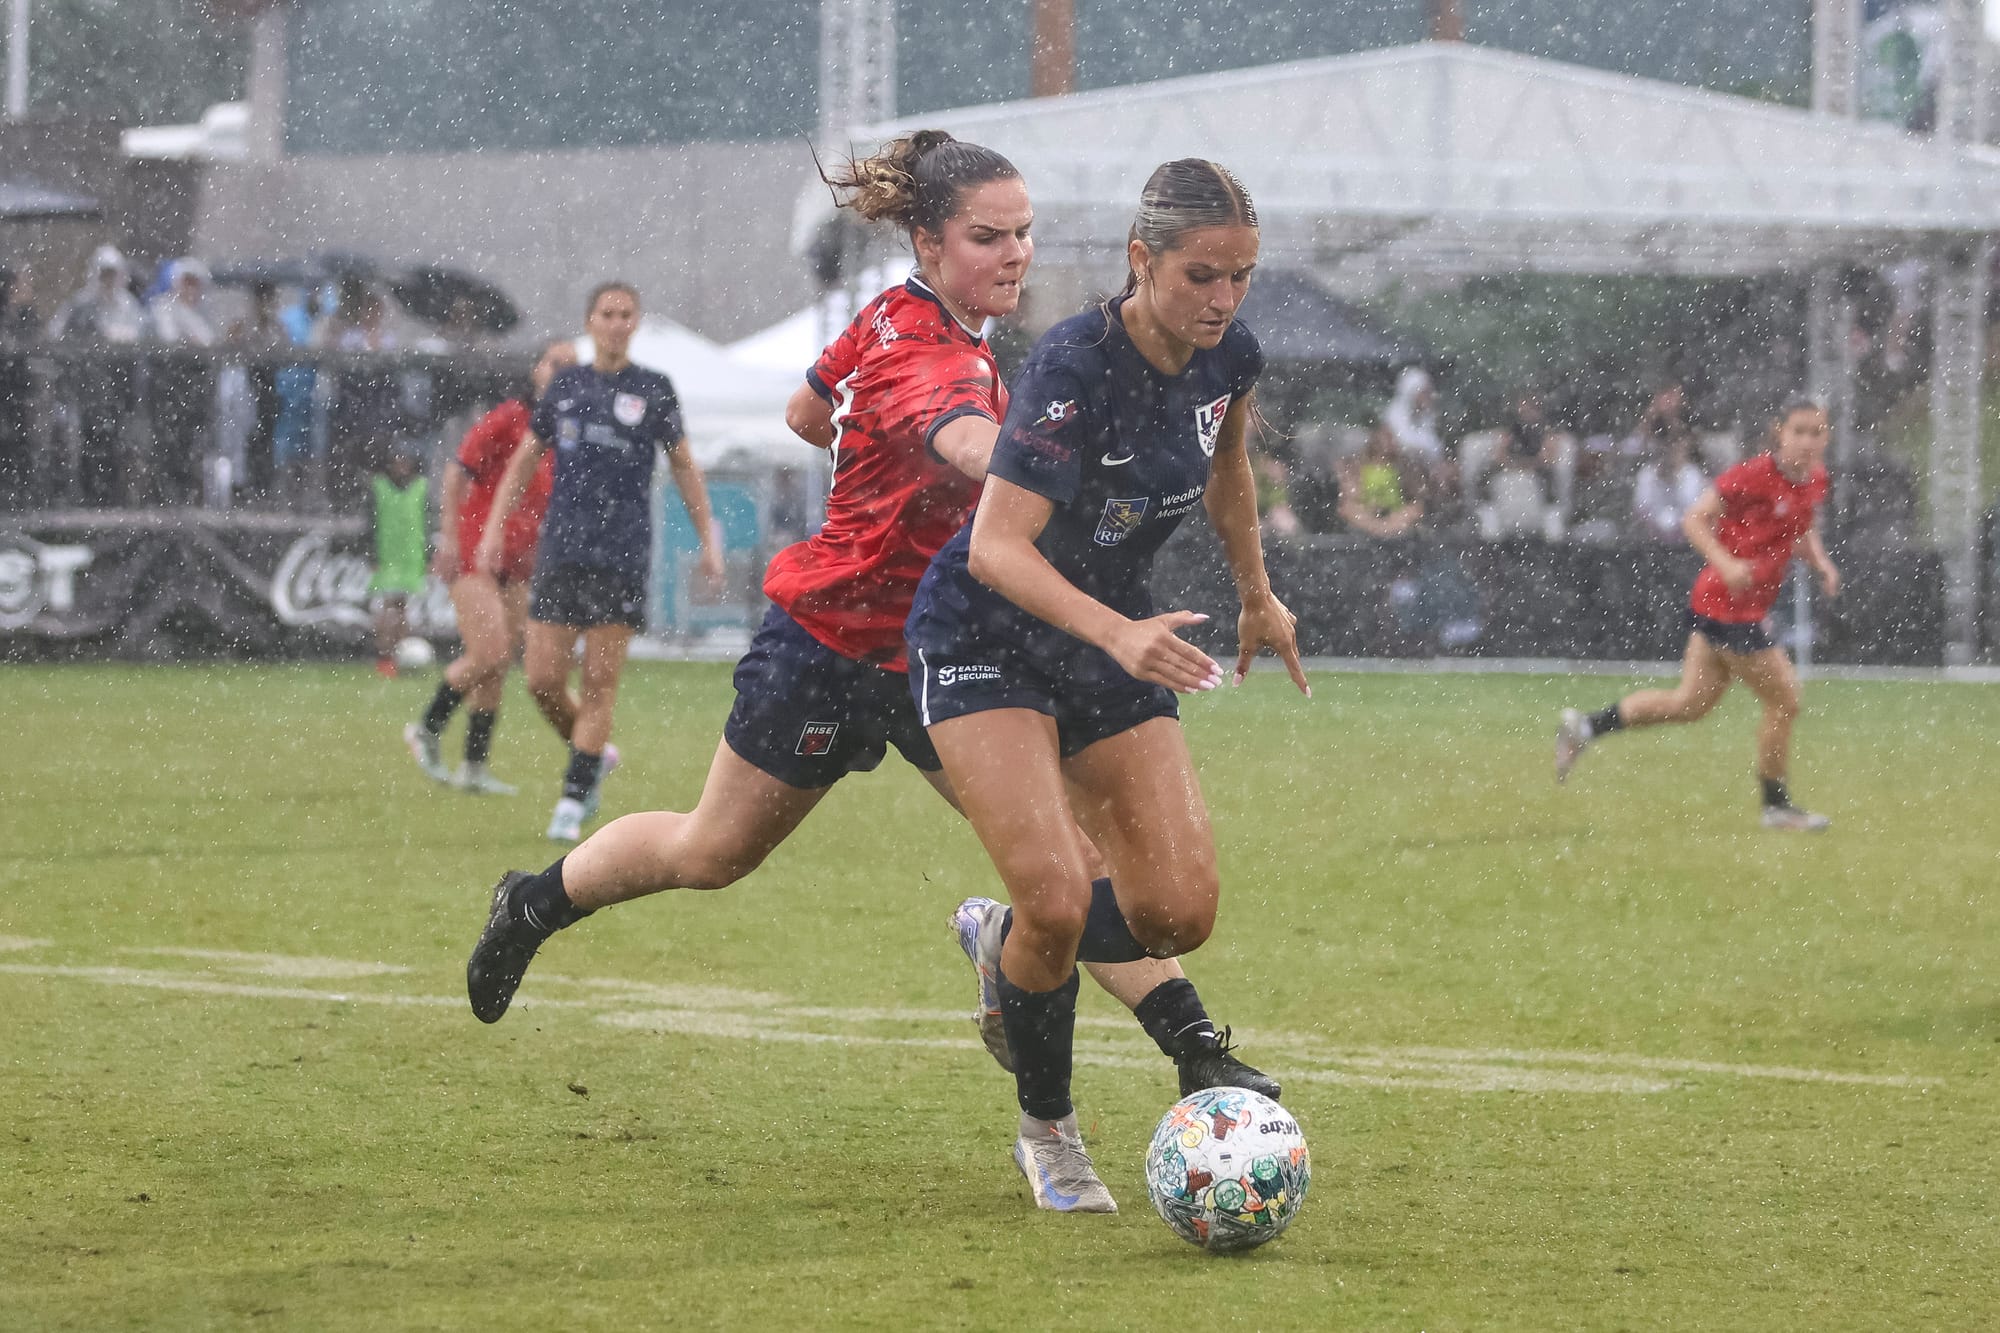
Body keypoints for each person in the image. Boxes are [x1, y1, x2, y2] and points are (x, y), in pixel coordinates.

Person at [461, 132, 1278, 1124]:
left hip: (955, 648)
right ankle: (534, 902)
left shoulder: (890, 314)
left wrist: (876, 458)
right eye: (987, 238)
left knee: (1068, 870)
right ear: (929, 244)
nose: (1014, 254)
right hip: (833, 642)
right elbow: (971, 441)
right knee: (711, 851)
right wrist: (1038, 459)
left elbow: (807, 411)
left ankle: (1193, 1045)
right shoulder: (932, 355)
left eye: (1022, 233)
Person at [903, 158, 1307, 1213]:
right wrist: (1116, 632)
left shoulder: (1230, 357)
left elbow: (1228, 470)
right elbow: (995, 547)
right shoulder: (1071, 366)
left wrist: (1257, 593)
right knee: (1055, 897)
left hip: (1107, 637)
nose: (1222, 298)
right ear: (1141, 259)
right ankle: (1048, 1131)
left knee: (1176, 911)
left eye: (1240, 276)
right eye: (1201, 275)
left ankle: (1002, 944)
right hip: (986, 634)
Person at [477, 281, 723, 842]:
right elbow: (524, 461)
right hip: (563, 550)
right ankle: (593, 757)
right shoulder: (566, 385)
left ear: (636, 323)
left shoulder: (654, 388)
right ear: (590, 322)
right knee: (541, 679)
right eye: (607, 314)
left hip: (622, 554)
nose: (616, 323)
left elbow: (684, 467)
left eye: (626, 314)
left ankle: (572, 796)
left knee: (598, 684)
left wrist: (707, 539)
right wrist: (493, 529)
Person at [1555, 394, 1840, 830]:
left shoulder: (1815, 478)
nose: (1807, 441)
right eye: (1798, 431)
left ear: (1826, 436)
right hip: (1730, 608)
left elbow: (1801, 526)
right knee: (1785, 699)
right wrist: (1726, 564)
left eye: (1815, 432)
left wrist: (1819, 561)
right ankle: (1776, 806)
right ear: (1778, 432)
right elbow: (1694, 519)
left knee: (1689, 703)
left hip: (1723, 607)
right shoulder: (1751, 476)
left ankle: (1586, 727)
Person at [405, 341, 576, 793]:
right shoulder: (510, 418)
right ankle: (426, 727)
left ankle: (474, 767)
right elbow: (455, 473)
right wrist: (448, 537)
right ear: (536, 369)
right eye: (555, 363)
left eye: (571, 366)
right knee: (490, 653)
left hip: (517, 560)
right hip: (475, 551)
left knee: (497, 666)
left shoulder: (568, 431)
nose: (562, 372)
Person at [48, 246, 147, 506]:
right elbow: (56, 336)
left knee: (118, 445)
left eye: (112, 274)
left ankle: (112, 500)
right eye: (104, 274)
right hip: (87, 390)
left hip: (120, 391)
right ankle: (87, 498)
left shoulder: (128, 306)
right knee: (88, 444)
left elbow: (141, 337)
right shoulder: (79, 306)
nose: (108, 281)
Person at [145, 258, 220, 505]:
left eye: (195, 284)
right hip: (167, 390)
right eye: (187, 282)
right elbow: (169, 339)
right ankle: (164, 501)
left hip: (195, 394)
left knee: (191, 449)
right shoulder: (162, 307)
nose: (190, 289)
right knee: (167, 449)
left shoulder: (203, 315)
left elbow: (208, 344)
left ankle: (186, 500)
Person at [368, 445, 429, 677]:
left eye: (406, 461)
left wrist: (428, 555)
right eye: (398, 461)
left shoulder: (420, 488)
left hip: (411, 558)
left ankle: (400, 655)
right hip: (388, 557)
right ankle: (385, 656)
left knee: (402, 609)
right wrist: (372, 555)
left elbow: (427, 522)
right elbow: (370, 523)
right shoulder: (380, 487)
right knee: (388, 609)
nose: (402, 466)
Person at [1631, 428, 1707, 542]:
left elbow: (1695, 511)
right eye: (1668, 446)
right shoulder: (1647, 474)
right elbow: (1641, 510)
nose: (1672, 452)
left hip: (1686, 540)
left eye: (1677, 447)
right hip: (1652, 540)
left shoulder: (1693, 475)